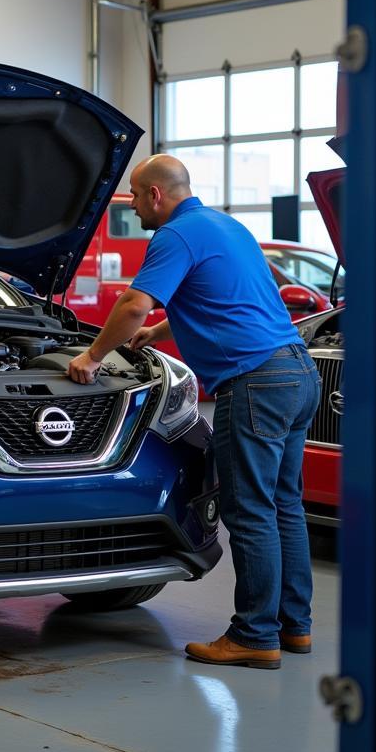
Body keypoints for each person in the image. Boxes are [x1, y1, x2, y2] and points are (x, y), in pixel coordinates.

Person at [67, 155, 320, 670]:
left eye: (136, 197)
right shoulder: (226, 225)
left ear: (156, 195)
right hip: (295, 372)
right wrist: (158, 334)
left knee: (248, 512)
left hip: (255, 383)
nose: (134, 206)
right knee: (283, 506)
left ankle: (254, 635)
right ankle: (294, 628)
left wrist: (93, 357)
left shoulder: (174, 236)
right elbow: (227, 302)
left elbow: (134, 303)